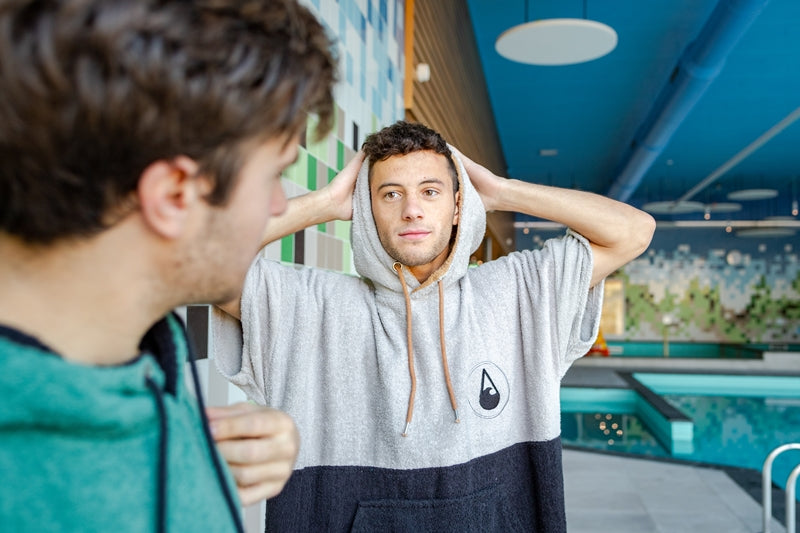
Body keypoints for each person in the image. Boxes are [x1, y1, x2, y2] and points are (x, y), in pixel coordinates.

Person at [216, 120, 656, 531]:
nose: (411, 210)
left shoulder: (521, 291)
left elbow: (634, 231)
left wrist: (502, 192)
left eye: (430, 191)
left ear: (457, 205)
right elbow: (204, 259)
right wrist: (325, 202)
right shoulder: (311, 307)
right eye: (390, 194)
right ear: (365, 209)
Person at [0, 0, 337, 531]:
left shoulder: (151, 348)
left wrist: (188, 454)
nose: (278, 205)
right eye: (276, 174)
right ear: (176, 194)